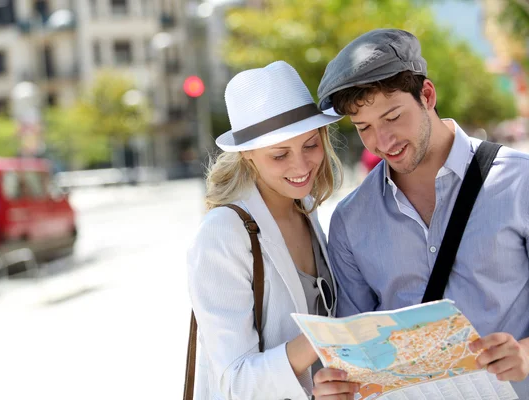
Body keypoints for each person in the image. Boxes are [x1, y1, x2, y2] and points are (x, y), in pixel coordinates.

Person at [311, 28, 529, 399]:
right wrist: (337, 385)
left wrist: (526, 353)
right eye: (364, 128)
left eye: (393, 116)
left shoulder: (520, 181)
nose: (382, 141)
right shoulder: (350, 220)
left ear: (427, 95)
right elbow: (354, 349)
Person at [187, 61, 346, 399]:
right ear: (247, 155)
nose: (301, 166)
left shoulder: (305, 209)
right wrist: (327, 337)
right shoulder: (224, 232)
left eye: (310, 145)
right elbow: (234, 381)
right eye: (279, 155)